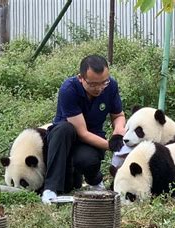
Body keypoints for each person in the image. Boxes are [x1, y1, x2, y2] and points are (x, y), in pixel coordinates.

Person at [42, 55, 125, 204]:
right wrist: (111, 145)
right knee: (64, 129)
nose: (99, 88)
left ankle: (94, 182)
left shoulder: (111, 86)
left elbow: (118, 115)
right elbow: (82, 132)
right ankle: (50, 189)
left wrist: (118, 133)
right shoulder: (69, 89)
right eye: (93, 84)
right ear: (81, 78)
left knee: (88, 161)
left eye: (103, 82)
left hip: (91, 141)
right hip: (64, 141)